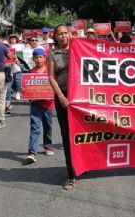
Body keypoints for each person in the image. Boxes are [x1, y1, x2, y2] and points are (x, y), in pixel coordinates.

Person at [48, 24, 77, 190]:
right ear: (56, 36)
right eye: (60, 34)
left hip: (81, 97)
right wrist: (61, 97)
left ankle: (82, 166)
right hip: (63, 98)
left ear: (71, 35)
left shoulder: (79, 48)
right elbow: (51, 78)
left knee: (82, 135)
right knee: (67, 137)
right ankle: (71, 175)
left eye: (66, 33)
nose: (64, 36)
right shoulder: (53, 54)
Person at [25, 48, 54, 164]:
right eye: (36, 57)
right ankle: (32, 152)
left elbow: (54, 85)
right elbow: (27, 87)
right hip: (35, 104)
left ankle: (48, 145)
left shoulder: (50, 71)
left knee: (48, 126)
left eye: (40, 57)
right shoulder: (31, 72)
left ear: (44, 58)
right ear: (33, 59)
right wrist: (25, 91)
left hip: (49, 105)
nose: (38, 59)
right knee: (35, 128)